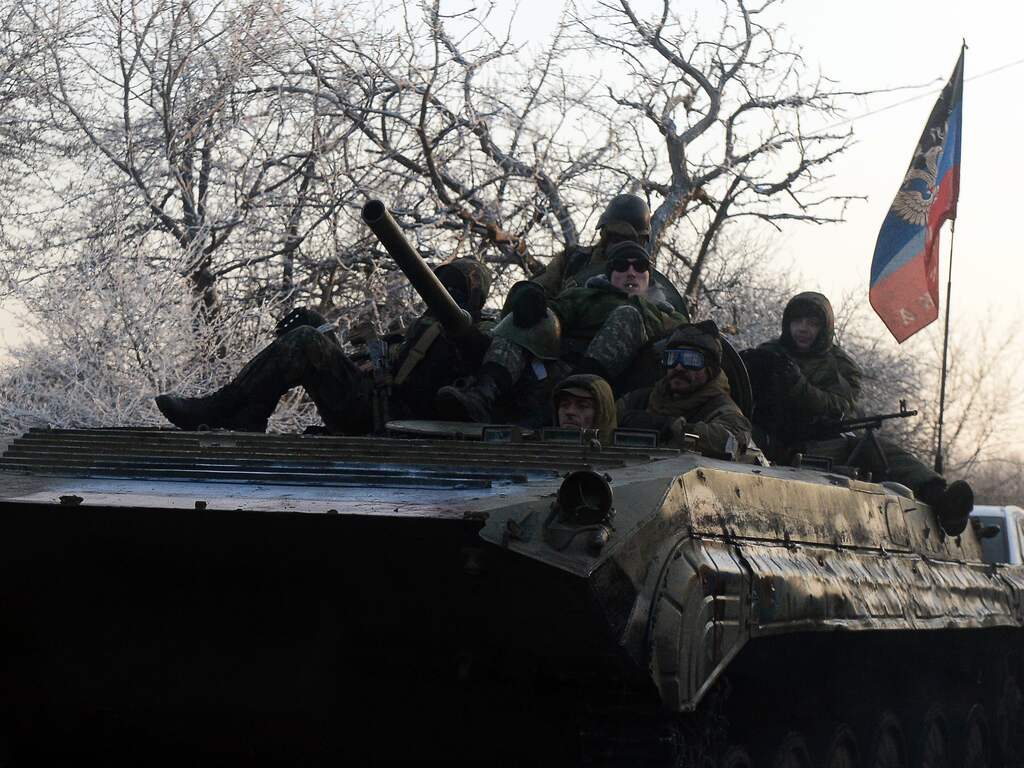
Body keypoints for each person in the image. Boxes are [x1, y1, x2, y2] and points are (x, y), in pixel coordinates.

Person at [155, 259, 494, 434]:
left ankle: (219, 407)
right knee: (308, 323)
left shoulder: (476, 336)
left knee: (307, 342)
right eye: (441, 284)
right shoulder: (425, 328)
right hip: (372, 399)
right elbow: (394, 368)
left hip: (385, 417)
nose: (442, 292)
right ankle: (249, 414)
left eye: (454, 288)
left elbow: (460, 384)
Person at [741, 291, 973, 534]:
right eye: (797, 321)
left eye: (812, 323)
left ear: (824, 328)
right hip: (763, 438)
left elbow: (838, 405)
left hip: (816, 443)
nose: (803, 329)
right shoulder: (768, 352)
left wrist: (799, 386)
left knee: (870, 446)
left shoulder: (841, 366)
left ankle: (940, 497)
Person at [436, 241, 687, 423]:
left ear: (648, 276)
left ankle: (570, 399)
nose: (631, 272)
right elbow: (554, 311)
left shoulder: (666, 315)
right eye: (622, 265)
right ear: (610, 275)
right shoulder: (587, 296)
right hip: (558, 366)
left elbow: (685, 343)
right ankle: (484, 393)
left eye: (639, 266)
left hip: (613, 386)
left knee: (628, 315)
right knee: (530, 316)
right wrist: (530, 298)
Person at [617, 321, 751, 457]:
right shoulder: (639, 400)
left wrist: (673, 428)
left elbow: (732, 442)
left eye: (691, 360)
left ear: (710, 370)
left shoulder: (722, 410)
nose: (679, 367)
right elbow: (603, 419)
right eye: (673, 358)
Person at [530, 193, 652, 297]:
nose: (620, 247)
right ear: (604, 234)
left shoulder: (647, 278)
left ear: (641, 242)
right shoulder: (573, 260)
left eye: (628, 240)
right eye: (615, 237)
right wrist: (526, 293)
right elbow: (540, 287)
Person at [551, 374, 618, 445]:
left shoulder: (623, 455)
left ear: (602, 414)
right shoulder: (541, 453)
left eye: (582, 406)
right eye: (564, 405)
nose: (570, 412)